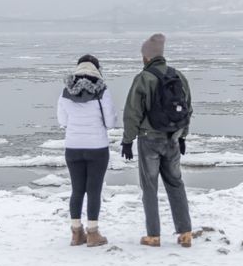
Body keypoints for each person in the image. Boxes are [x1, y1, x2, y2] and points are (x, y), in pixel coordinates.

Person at [121, 33, 193, 247]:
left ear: (146, 57)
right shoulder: (178, 76)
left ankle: (153, 235)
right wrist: (183, 137)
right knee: (176, 183)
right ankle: (185, 233)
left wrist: (127, 140)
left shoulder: (143, 78)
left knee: (150, 187)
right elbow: (187, 109)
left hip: (149, 140)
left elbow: (132, 112)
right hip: (173, 139)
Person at [56, 54, 118, 247]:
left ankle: (76, 233)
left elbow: (62, 121)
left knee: (77, 190)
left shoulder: (65, 92)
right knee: (94, 190)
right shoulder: (103, 91)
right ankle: (92, 233)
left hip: (73, 147)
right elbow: (110, 122)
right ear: (97, 69)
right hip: (97, 148)